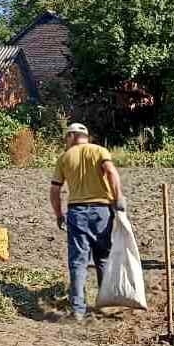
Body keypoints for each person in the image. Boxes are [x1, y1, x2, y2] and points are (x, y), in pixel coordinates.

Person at [50, 122, 124, 321]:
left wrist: (59, 214)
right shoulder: (100, 151)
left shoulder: (64, 158)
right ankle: (105, 303)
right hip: (102, 212)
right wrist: (119, 199)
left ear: (72, 136)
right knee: (103, 258)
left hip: (77, 213)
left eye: (67, 137)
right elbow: (111, 172)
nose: (66, 141)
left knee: (78, 262)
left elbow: (55, 190)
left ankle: (78, 309)